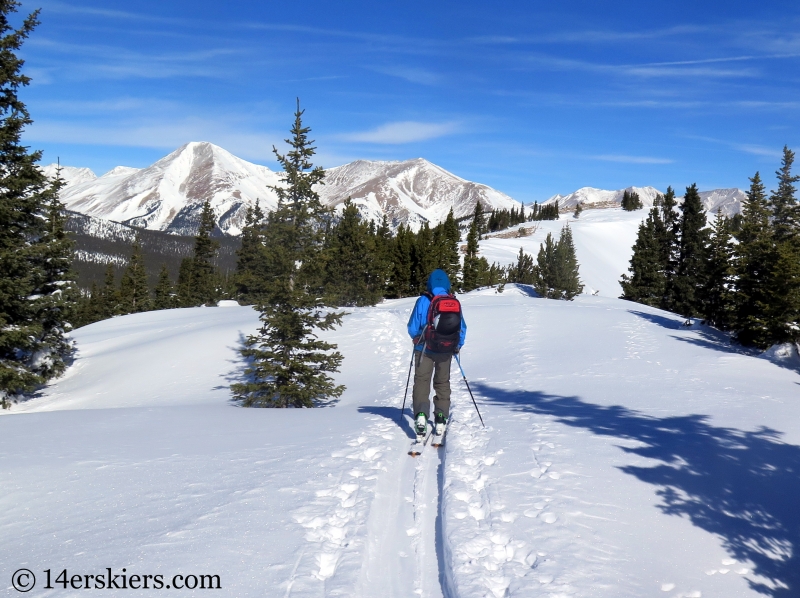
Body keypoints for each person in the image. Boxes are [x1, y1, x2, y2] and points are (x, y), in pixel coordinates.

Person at [407, 268, 467, 436]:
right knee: (442, 382)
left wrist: (416, 338)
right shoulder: (453, 301)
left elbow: (412, 327)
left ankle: (420, 416)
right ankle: (441, 416)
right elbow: (462, 328)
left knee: (422, 381)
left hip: (424, 348)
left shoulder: (423, 301)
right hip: (446, 349)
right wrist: (457, 345)